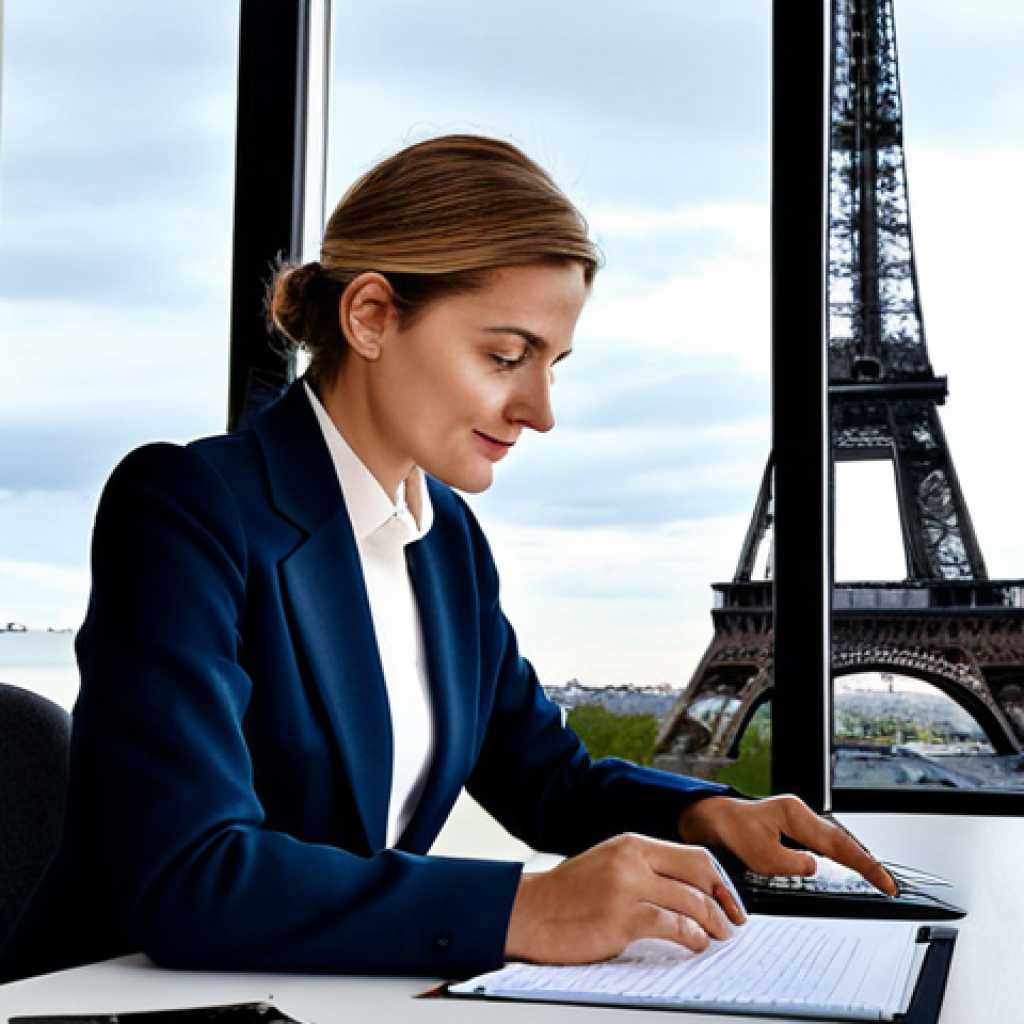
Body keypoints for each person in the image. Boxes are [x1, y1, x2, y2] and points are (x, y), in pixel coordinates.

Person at [0, 135, 895, 984]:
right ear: (372, 315)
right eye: (507, 355)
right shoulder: (188, 508)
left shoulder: (447, 540)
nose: (540, 410)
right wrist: (530, 910)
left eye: (555, 365)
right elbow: (192, 875)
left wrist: (699, 812)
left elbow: (544, 776)